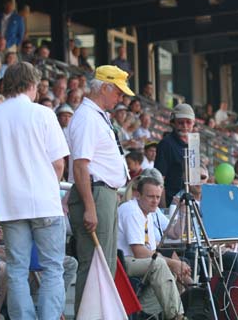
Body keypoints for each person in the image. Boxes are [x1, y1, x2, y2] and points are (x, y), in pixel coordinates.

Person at [0, 62, 69, 319]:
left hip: (10, 204)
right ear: (31, 84)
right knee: (52, 269)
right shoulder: (43, 114)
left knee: (17, 270)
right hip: (44, 201)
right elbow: (59, 163)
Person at [66, 65, 134, 313]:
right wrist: (90, 207)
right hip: (96, 193)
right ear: (104, 87)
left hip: (103, 193)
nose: (120, 98)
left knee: (104, 265)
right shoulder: (87, 117)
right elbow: (81, 165)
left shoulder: (96, 115)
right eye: (118, 91)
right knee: (95, 265)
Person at [117, 176, 186, 319]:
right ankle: (177, 316)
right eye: (150, 196)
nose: (155, 201)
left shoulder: (147, 213)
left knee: (167, 269)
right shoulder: (132, 211)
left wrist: (183, 212)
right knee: (160, 264)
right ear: (138, 195)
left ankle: (145, 313)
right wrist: (172, 262)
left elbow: (154, 250)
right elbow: (139, 252)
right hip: (122, 261)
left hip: (134, 260)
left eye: (158, 197)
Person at [155, 103, 196, 206]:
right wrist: (164, 208)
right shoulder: (166, 144)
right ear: (173, 123)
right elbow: (159, 179)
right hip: (173, 202)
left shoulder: (194, 142)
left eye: (188, 122)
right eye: (180, 122)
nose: (185, 126)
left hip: (191, 199)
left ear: (193, 123)